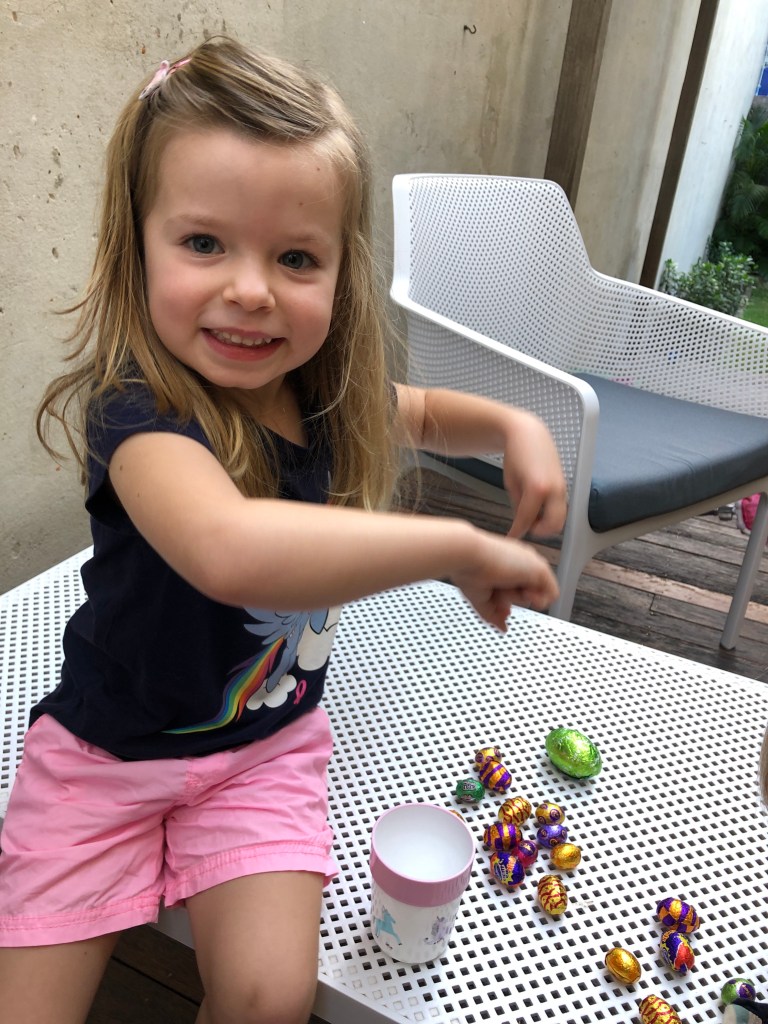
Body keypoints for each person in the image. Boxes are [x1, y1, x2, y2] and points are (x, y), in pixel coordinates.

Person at [0, 37, 566, 1024]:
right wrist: (458, 548)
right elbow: (231, 550)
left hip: (263, 751)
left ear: (343, 271)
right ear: (137, 245)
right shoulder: (136, 416)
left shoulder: (322, 396)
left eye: (296, 257)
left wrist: (518, 426)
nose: (253, 289)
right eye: (204, 243)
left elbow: (426, 412)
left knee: (270, 996)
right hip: (105, 753)